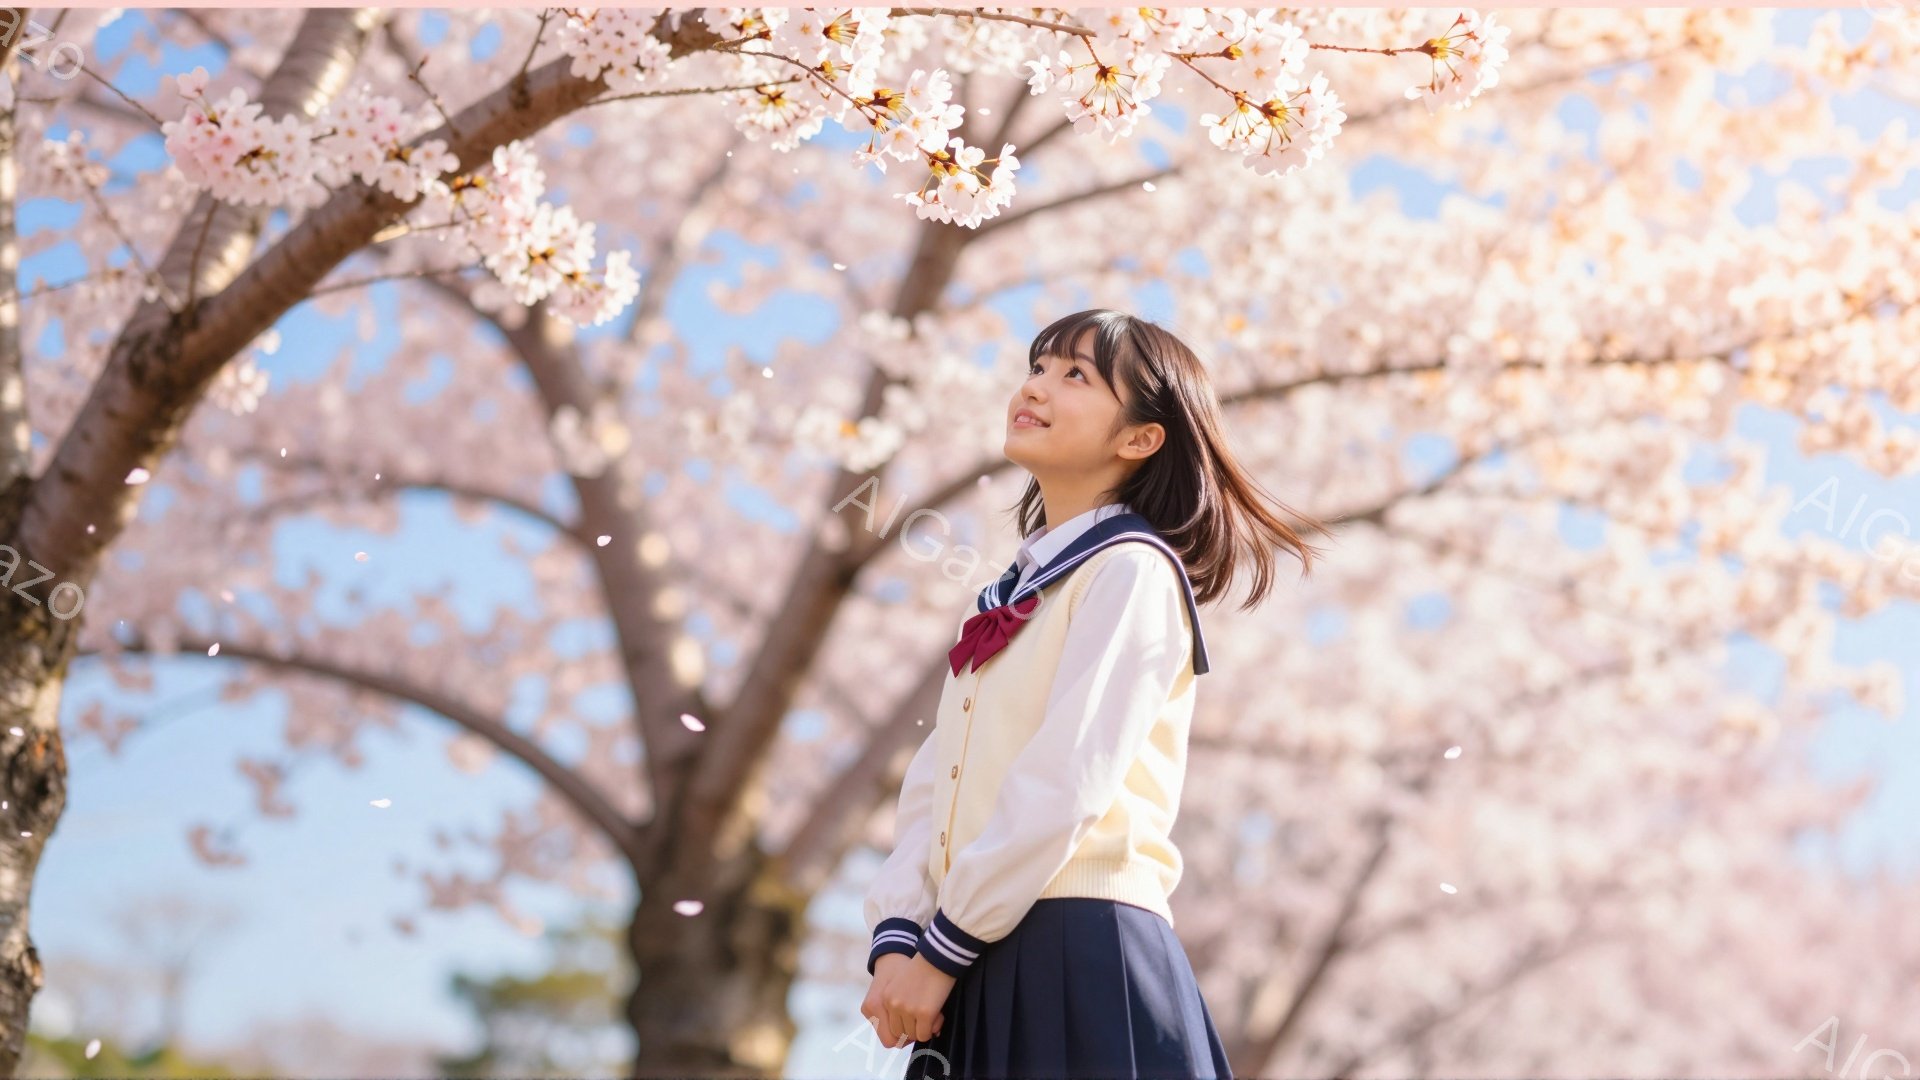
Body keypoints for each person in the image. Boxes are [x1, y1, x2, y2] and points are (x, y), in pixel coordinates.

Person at [858, 309, 1325, 1079]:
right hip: (973, 954)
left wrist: (938, 951)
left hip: (1075, 951)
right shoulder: (1007, 594)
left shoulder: (1132, 570)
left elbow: (1066, 781)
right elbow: (934, 785)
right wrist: (897, 939)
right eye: (1038, 366)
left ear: (1140, 438)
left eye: (1075, 375)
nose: (1035, 386)